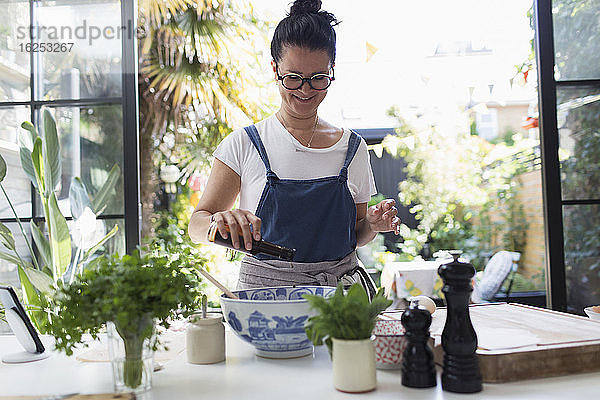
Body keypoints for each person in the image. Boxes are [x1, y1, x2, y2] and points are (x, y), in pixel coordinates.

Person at [188, 0, 400, 298]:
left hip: (339, 299)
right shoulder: (245, 144)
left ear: (332, 71)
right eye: (293, 78)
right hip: (265, 296)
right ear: (275, 69)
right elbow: (196, 226)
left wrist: (374, 225)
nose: (305, 89)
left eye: (318, 78)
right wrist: (216, 220)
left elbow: (356, 235)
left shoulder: (353, 149)